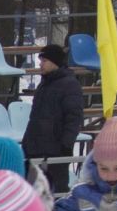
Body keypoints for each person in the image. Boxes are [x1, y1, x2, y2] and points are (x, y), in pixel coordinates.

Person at [21, 43, 84, 197]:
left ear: (55, 62)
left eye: (44, 61)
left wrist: (65, 144)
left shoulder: (69, 85)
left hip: (56, 150)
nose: (40, 64)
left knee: (57, 191)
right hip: (36, 147)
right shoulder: (45, 84)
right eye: (40, 61)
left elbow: (74, 118)